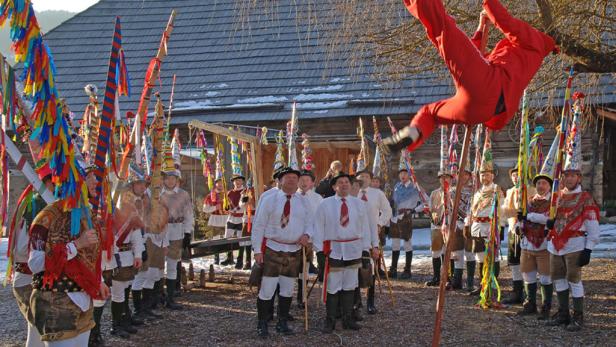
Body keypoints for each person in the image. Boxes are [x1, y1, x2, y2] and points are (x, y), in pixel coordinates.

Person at [383, 0, 556, 153]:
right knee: (430, 112)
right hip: (481, 110)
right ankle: (412, 134)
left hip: (489, 88)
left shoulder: (535, 40)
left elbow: (505, 21)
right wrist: (481, 28)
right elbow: (473, 58)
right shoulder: (523, 56)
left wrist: (489, 5)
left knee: (443, 28)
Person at [28, 167, 110, 346]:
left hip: (83, 304)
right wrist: (75, 245)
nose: (96, 182)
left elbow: (91, 256)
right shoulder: (47, 217)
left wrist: (99, 280)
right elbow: (34, 264)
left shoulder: (87, 216)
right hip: (55, 303)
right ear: (76, 181)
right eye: (89, 177)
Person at [546, 112, 600, 331]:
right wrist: (548, 224)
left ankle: (578, 316)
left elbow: (592, 225)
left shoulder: (585, 198)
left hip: (575, 244)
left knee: (574, 279)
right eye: (566, 174)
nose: (569, 178)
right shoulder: (555, 197)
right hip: (555, 244)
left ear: (579, 177)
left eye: (573, 175)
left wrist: (589, 248)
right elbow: (549, 216)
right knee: (557, 278)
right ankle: (563, 313)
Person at [251, 167, 311, 337]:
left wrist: (307, 234)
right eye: (288, 177)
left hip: (294, 251)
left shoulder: (302, 201)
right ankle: (262, 323)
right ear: (280, 180)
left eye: (295, 178)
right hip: (272, 249)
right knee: (267, 289)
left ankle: (282, 322)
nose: (292, 180)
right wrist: (257, 249)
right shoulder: (269, 198)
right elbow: (259, 224)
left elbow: (310, 222)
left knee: (287, 289)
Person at [313, 172, 375, 333]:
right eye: (340, 182)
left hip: (353, 249)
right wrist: (319, 251)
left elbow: (365, 228)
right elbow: (318, 228)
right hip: (333, 250)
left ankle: (348, 319)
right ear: (334, 187)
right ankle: (330, 320)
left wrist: (366, 249)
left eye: (347, 182)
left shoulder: (359, 204)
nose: (344, 184)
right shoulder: (325, 204)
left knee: (350, 285)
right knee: (333, 286)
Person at [9, 157, 53, 347]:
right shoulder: (32, 209)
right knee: (36, 324)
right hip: (27, 276)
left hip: (37, 276)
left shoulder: (44, 207)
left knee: (39, 326)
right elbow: (20, 249)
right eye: (53, 184)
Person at [469, 135, 505, 296]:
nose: (485, 177)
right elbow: (473, 211)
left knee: (493, 257)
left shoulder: (497, 189)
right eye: (482, 174)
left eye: (488, 174)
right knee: (479, 257)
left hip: (491, 227)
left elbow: (502, 209)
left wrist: (502, 226)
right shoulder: (477, 193)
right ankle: (481, 284)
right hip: (477, 228)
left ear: (493, 175)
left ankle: (492, 283)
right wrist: (469, 225)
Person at [517, 168, 553, 318]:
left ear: (549, 186)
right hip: (527, 243)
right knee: (527, 274)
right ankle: (530, 303)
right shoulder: (529, 201)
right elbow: (520, 220)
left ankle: (546, 307)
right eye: (538, 183)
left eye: (544, 183)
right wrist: (518, 226)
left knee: (545, 277)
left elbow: (547, 218)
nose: (541, 186)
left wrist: (529, 216)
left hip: (544, 244)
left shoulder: (553, 202)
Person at [354, 170, 391, 315]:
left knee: (370, 268)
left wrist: (380, 224)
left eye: (366, 177)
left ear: (371, 180)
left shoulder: (377, 194)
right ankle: (356, 301)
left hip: (371, 234)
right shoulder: (352, 193)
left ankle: (370, 302)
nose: (363, 179)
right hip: (354, 236)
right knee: (355, 268)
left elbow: (387, 211)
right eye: (361, 176)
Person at [159, 167, 194, 310]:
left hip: (177, 231)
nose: (170, 180)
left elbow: (188, 214)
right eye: (167, 178)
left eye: (173, 178)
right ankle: (158, 295)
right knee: (158, 266)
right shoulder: (158, 195)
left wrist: (187, 233)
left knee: (173, 264)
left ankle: (171, 296)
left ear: (177, 180)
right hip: (160, 232)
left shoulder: (183, 195)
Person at [501, 167, 536, 305]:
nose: (516, 177)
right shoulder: (510, 192)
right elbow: (505, 211)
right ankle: (517, 291)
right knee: (514, 261)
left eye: (518, 175)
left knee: (526, 261)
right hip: (512, 228)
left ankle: (529, 294)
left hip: (526, 229)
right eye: (514, 175)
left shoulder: (531, 190)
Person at [390, 167, 423, 279]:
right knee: (395, 242)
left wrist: (414, 210)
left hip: (406, 217)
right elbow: (393, 202)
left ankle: (407, 270)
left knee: (407, 242)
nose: (402, 176)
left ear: (409, 174)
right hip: (395, 217)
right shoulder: (396, 187)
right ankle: (393, 269)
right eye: (401, 173)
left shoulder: (415, 187)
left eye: (405, 173)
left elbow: (425, 201)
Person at [296, 169, 323, 308]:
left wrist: (309, 235)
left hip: (310, 240)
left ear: (312, 183)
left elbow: (318, 220)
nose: (304, 182)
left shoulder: (318, 199)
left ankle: (302, 296)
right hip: (292, 239)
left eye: (307, 180)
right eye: (301, 180)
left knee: (304, 268)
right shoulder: (292, 196)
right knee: (291, 268)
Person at [427, 170, 452, 286]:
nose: (444, 180)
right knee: (435, 250)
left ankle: (448, 277)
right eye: (441, 177)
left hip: (449, 225)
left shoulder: (453, 192)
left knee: (448, 251)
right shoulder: (434, 193)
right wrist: (433, 214)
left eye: (446, 177)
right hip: (436, 225)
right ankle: (436, 276)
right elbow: (430, 208)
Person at [221, 175, 248, 267]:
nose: (237, 182)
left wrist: (235, 210)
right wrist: (226, 207)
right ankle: (229, 258)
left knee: (241, 240)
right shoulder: (229, 193)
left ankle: (240, 261)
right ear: (233, 182)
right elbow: (226, 205)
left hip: (241, 218)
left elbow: (243, 204)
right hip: (231, 218)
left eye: (239, 180)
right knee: (228, 238)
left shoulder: (245, 192)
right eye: (236, 181)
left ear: (242, 182)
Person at [202, 178, 228, 264]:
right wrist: (215, 208)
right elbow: (205, 209)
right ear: (215, 184)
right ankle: (216, 258)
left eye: (222, 183)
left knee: (228, 238)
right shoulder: (210, 195)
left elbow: (233, 206)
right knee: (216, 239)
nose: (220, 184)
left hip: (226, 218)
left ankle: (229, 258)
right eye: (218, 183)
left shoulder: (227, 194)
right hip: (216, 219)